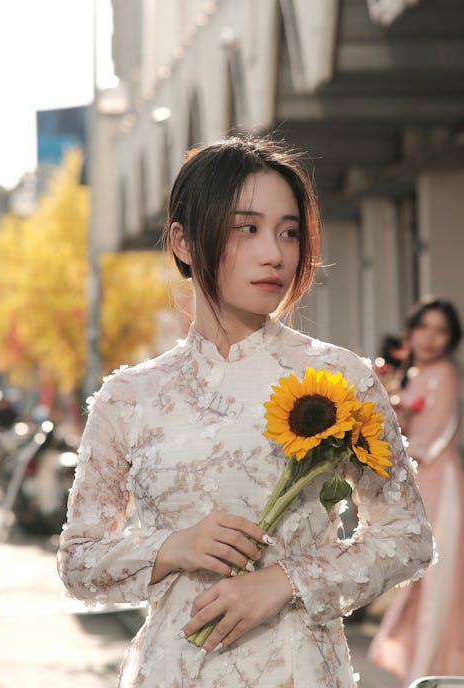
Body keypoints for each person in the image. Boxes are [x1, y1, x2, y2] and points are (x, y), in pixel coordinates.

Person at [57, 136, 433, 687]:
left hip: (298, 671)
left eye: (289, 231)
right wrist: (174, 545)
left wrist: (286, 580)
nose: (275, 254)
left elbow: (408, 538)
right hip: (175, 670)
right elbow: (79, 564)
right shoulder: (129, 396)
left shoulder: (339, 379)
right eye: (247, 228)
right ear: (184, 243)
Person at [369, 296, 464, 683]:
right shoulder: (409, 373)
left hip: (439, 484)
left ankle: (433, 668)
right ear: (411, 331)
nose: (430, 337)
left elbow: (436, 439)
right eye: (424, 327)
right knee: (420, 583)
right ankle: (420, 667)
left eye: (441, 331)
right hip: (418, 481)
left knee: (437, 581)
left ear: (451, 339)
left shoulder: (443, 373)